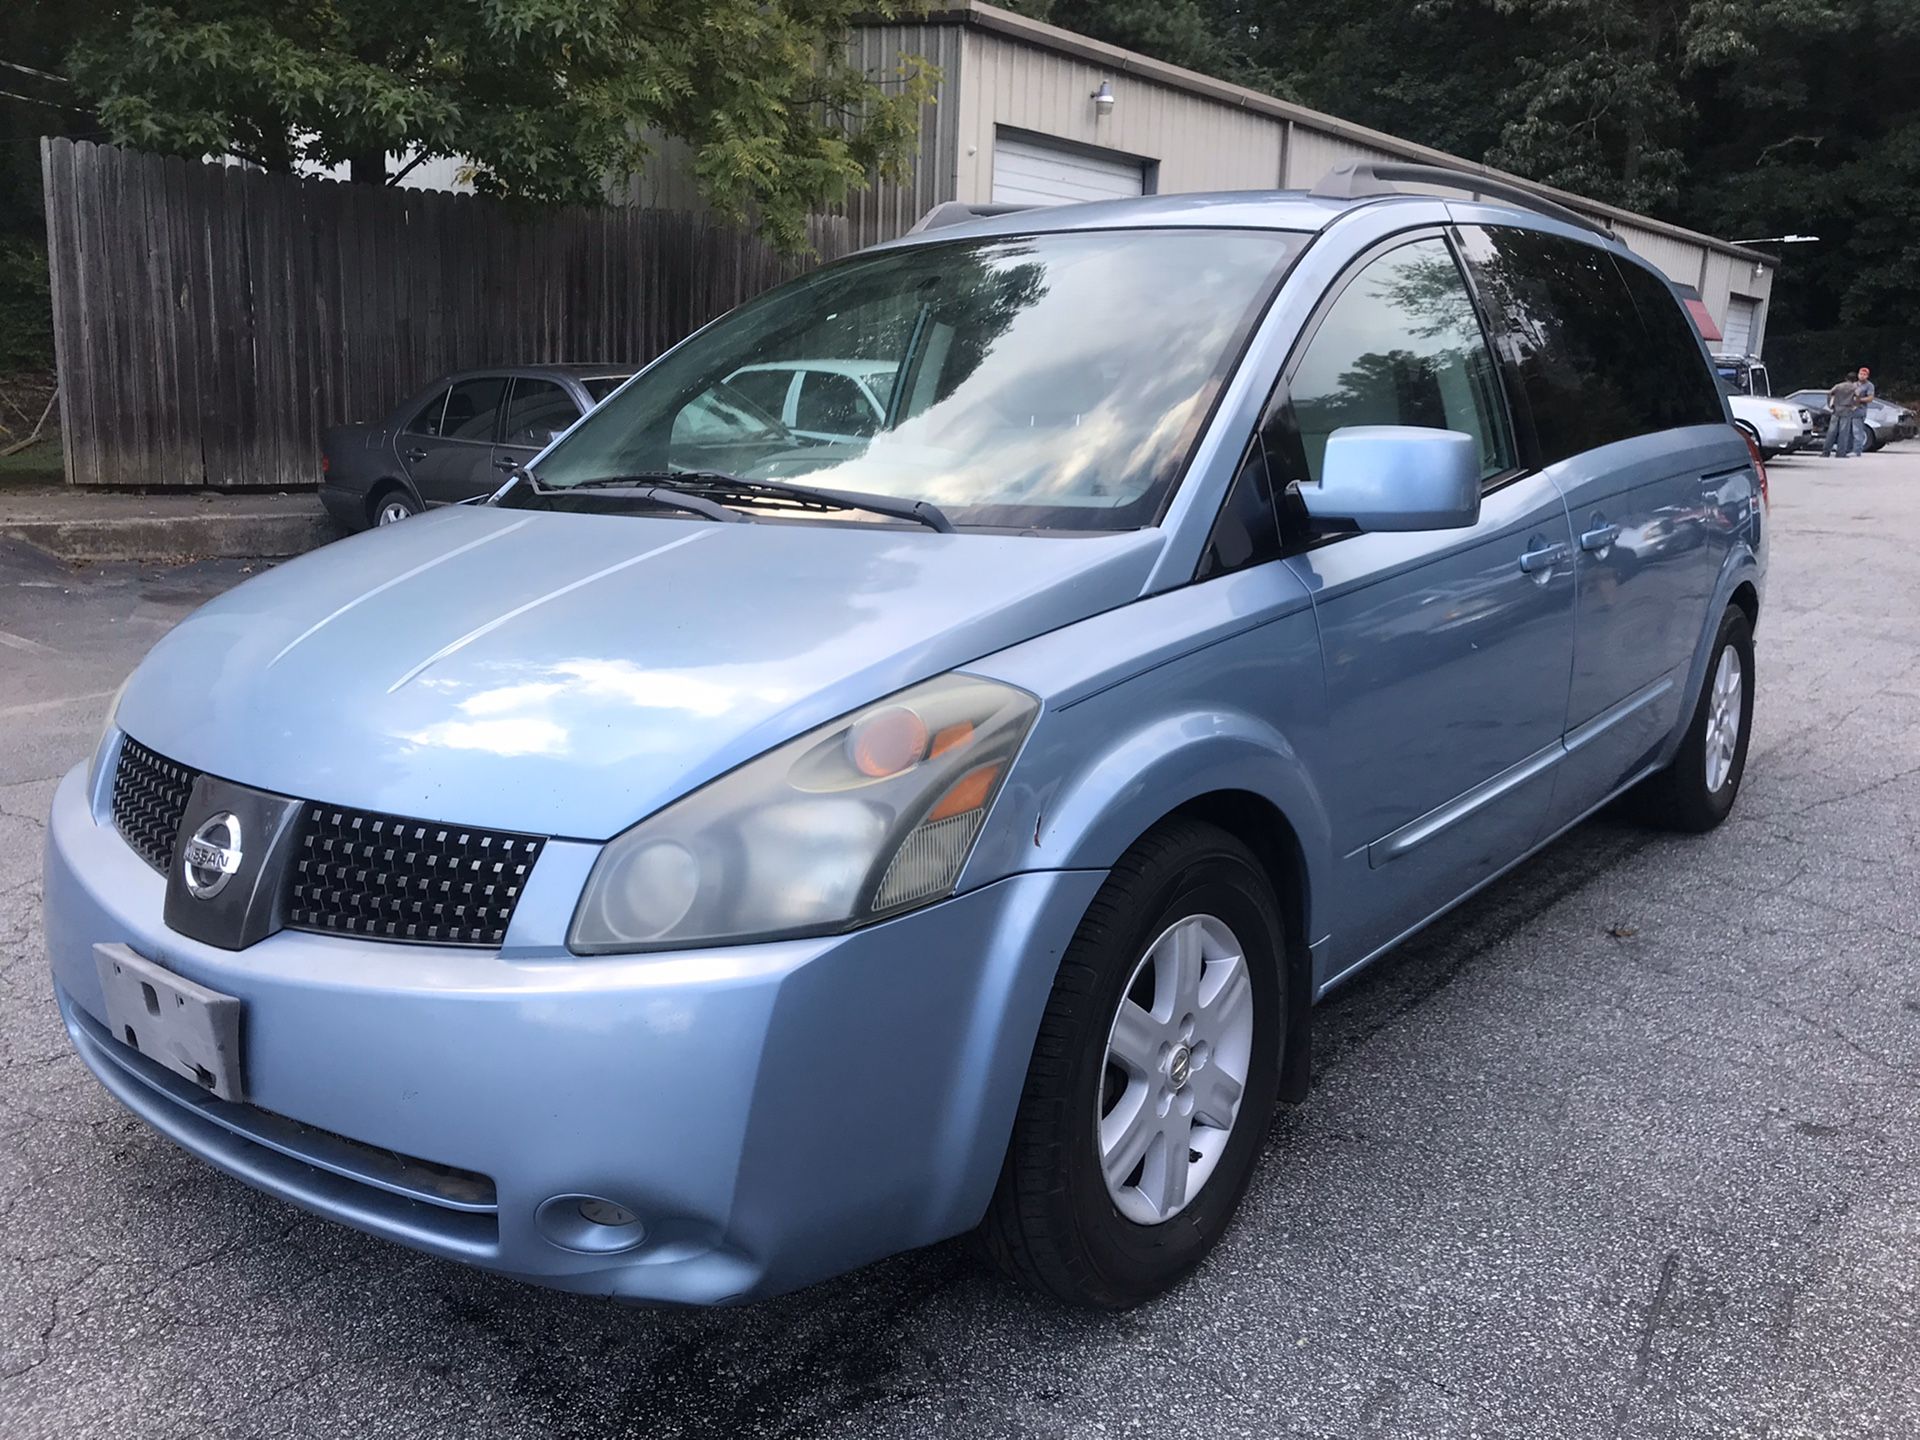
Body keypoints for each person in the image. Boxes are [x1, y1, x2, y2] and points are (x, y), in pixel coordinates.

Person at [1823, 371, 1860, 457]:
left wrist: (1830, 405)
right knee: (1843, 432)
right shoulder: (1854, 387)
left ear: (1846, 378)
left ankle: (1826, 452)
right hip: (1847, 409)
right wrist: (1855, 406)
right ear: (1855, 380)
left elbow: (1829, 393)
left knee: (1831, 431)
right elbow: (1858, 396)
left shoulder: (1838, 386)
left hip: (1836, 409)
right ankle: (1841, 453)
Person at [1851, 366, 1876, 456]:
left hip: (1860, 410)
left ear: (1867, 376)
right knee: (1850, 431)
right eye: (1861, 374)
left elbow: (1870, 398)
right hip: (1850, 410)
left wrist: (1859, 400)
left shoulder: (1869, 385)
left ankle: (1857, 451)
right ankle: (1849, 449)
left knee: (1857, 431)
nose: (1862, 376)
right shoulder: (1853, 385)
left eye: (1864, 374)